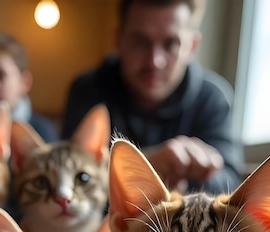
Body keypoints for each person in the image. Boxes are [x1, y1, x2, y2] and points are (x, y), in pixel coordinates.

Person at [61, 0, 244, 194]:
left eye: (170, 44)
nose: (154, 61)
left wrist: (180, 181)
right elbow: (68, 179)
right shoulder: (88, 90)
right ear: (119, 41)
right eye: (140, 42)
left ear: (192, 46)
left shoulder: (213, 98)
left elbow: (230, 183)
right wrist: (146, 167)